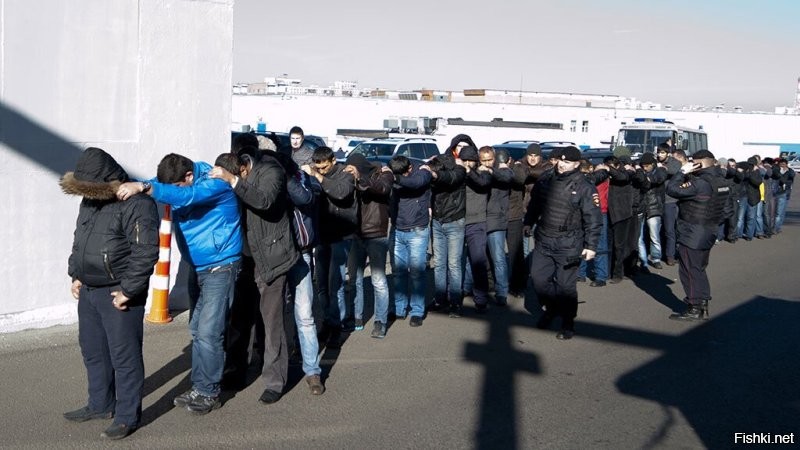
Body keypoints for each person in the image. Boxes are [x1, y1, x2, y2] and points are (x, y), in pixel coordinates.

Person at [117, 153, 242, 415]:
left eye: (176, 186)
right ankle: (199, 385)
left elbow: (185, 197)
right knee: (197, 329)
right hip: (198, 267)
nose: (172, 193)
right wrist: (126, 185)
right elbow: (154, 186)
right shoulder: (177, 182)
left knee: (209, 332)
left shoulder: (214, 181)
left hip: (222, 265)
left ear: (188, 176)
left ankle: (209, 392)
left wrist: (146, 187)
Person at [61, 147, 159, 440]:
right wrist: (76, 274)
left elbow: (146, 252)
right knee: (93, 352)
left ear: (106, 180)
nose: (86, 193)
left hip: (119, 293)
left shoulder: (137, 204)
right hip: (89, 290)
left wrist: (128, 290)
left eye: (90, 187)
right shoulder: (90, 199)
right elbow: (80, 238)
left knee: (124, 357)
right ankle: (100, 404)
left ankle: (127, 416)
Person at [209, 148, 301, 404]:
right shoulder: (237, 176)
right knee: (239, 319)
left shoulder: (271, 172)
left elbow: (265, 201)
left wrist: (233, 182)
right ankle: (234, 372)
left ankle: (275, 381)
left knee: (272, 323)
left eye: (235, 177)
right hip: (245, 258)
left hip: (272, 257)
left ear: (243, 169)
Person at [523, 146, 601, 340]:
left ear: (576, 164)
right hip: (544, 239)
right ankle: (552, 309)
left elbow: (593, 218)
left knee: (566, 287)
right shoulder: (546, 179)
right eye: (560, 160)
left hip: (569, 243)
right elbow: (535, 204)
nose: (562, 165)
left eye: (567, 162)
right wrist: (528, 222)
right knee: (539, 280)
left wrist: (591, 246)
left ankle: (568, 322)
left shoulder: (584, 186)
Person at [666, 150, 730, 321]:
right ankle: (703, 305)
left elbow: (672, 189)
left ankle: (694, 306)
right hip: (709, 231)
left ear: (700, 163)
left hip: (692, 231)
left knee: (689, 270)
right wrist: (712, 220)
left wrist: (681, 172)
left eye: (694, 161)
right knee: (699, 269)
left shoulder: (701, 183)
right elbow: (728, 209)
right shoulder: (721, 181)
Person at [303, 146, 358, 346]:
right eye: (318, 167)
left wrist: (318, 177)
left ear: (333, 160)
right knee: (322, 284)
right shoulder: (316, 175)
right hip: (322, 235)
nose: (322, 170)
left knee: (336, 283)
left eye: (324, 167)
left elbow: (341, 193)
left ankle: (337, 325)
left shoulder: (345, 174)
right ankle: (327, 320)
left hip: (342, 235)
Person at [345, 153, 393, 338]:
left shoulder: (383, 173)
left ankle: (380, 321)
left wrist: (360, 178)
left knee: (378, 280)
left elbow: (383, 189)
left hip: (376, 234)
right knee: (355, 279)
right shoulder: (349, 177)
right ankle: (356, 317)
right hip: (355, 234)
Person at [428, 134, 471, 317]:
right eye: (458, 145)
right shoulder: (443, 159)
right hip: (438, 220)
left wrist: (435, 174)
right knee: (439, 264)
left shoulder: (462, 168)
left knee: (454, 264)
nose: (461, 148)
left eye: (465, 145)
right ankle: (439, 298)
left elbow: (451, 178)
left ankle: (455, 302)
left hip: (455, 220)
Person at [388, 155, 432, 326]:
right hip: (398, 228)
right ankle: (399, 308)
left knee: (416, 272)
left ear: (409, 169)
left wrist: (395, 178)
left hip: (417, 230)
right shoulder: (394, 171)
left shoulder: (422, 171)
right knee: (398, 272)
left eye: (402, 176)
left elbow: (416, 183)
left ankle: (417, 311)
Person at [460, 146, 494, 312]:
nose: (467, 163)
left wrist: (469, 171)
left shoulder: (484, 172)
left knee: (478, 262)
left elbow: (483, 183)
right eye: (464, 160)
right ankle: (454, 295)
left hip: (477, 223)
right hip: (458, 222)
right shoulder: (459, 172)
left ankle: (481, 299)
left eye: (470, 160)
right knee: (455, 264)